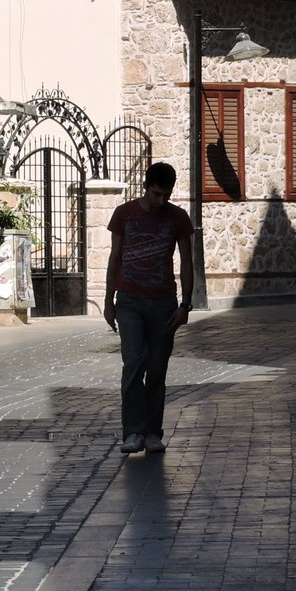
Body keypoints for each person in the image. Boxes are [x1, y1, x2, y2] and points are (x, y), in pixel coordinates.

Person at [102, 161, 194, 455]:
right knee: (133, 362)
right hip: (129, 300)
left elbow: (187, 262)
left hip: (164, 303)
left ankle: (153, 432)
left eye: (166, 195)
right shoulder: (124, 214)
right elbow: (115, 258)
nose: (161, 200)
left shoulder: (178, 218)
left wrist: (185, 306)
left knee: (157, 369)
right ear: (146, 187)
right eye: (156, 194)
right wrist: (108, 300)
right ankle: (132, 432)